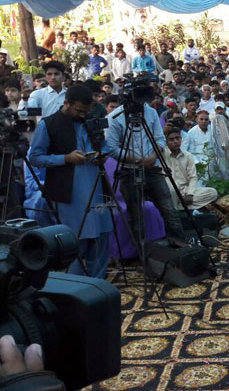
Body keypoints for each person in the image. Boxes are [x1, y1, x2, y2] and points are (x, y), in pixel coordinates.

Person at [28, 85, 112, 279]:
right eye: (79, 110)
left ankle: (98, 283)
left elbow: (105, 146)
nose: (83, 115)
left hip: (96, 187)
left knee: (101, 235)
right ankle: (74, 285)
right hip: (69, 192)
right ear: (66, 103)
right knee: (75, 239)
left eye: (86, 111)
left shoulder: (91, 120)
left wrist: (102, 155)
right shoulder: (48, 124)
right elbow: (36, 157)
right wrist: (65, 158)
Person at [106, 87, 185, 247]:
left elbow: (160, 138)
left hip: (154, 168)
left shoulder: (150, 112)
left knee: (169, 210)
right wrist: (137, 160)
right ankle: (143, 253)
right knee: (136, 216)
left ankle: (180, 247)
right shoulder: (115, 117)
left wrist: (153, 157)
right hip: (129, 171)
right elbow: (112, 149)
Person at [164, 127, 218, 210]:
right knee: (171, 189)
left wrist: (190, 194)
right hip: (171, 192)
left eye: (177, 138)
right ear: (166, 142)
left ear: (181, 139)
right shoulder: (162, 155)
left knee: (212, 193)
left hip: (185, 191)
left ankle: (179, 207)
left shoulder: (188, 155)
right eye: (171, 139)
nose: (175, 141)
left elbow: (193, 177)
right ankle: (179, 208)